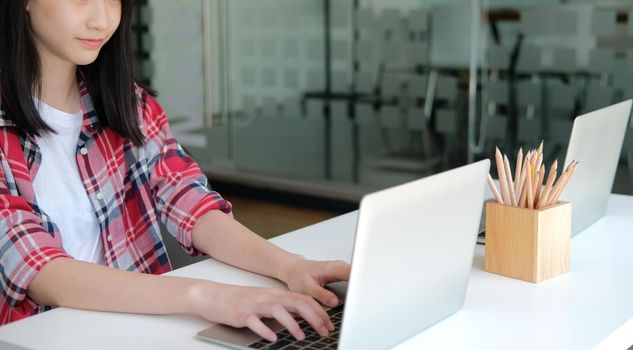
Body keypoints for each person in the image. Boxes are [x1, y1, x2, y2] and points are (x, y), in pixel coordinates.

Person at [0, 0, 350, 342]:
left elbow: (189, 201)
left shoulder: (129, 105)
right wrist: (205, 297)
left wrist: (290, 267)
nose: (102, 20)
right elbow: (39, 269)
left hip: (142, 330)